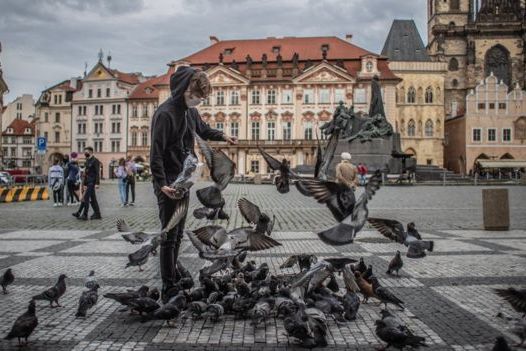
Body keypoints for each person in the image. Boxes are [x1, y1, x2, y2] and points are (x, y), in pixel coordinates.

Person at [150, 66, 237, 302]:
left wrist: (223, 136)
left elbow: (202, 129)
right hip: (169, 182)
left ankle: (174, 280)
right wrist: (161, 184)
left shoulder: (190, 113)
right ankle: (168, 286)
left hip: (185, 180)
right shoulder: (165, 114)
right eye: (196, 95)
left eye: (201, 97)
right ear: (184, 89)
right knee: (169, 235)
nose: (198, 100)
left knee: (177, 235)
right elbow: (155, 153)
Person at [73, 146, 101, 220]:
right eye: (85, 152)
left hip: (92, 182)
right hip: (87, 182)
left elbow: (97, 172)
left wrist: (97, 183)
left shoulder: (95, 160)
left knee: (86, 198)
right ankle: (97, 214)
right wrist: (84, 184)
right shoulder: (87, 160)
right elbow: (86, 173)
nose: (85, 153)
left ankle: (85, 215)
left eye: (86, 152)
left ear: (91, 152)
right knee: (93, 199)